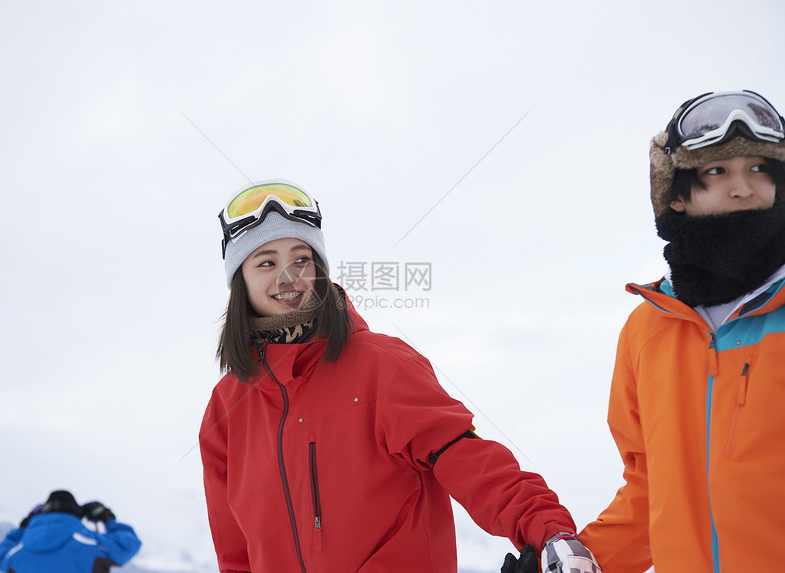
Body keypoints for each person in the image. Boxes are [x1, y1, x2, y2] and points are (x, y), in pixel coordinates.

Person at [199, 180, 601, 573]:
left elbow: (471, 460)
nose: (289, 277)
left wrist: (550, 533)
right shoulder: (225, 409)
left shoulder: (382, 366)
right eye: (267, 262)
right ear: (241, 281)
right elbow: (235, 555)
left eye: (301, 259)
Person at [578, 90, 785, 572]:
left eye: (759, 168)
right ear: (674, 195)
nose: (743, 187)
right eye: (716, 171)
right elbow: (650, 489)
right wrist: (579, 562)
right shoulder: (649, 328)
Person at [0, 489, 142, 572]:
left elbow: (2, 554)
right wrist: (107, 518)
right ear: (77, 514)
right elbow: (129, 544)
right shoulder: (90, 543)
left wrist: (24, 527)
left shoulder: (18, 551)